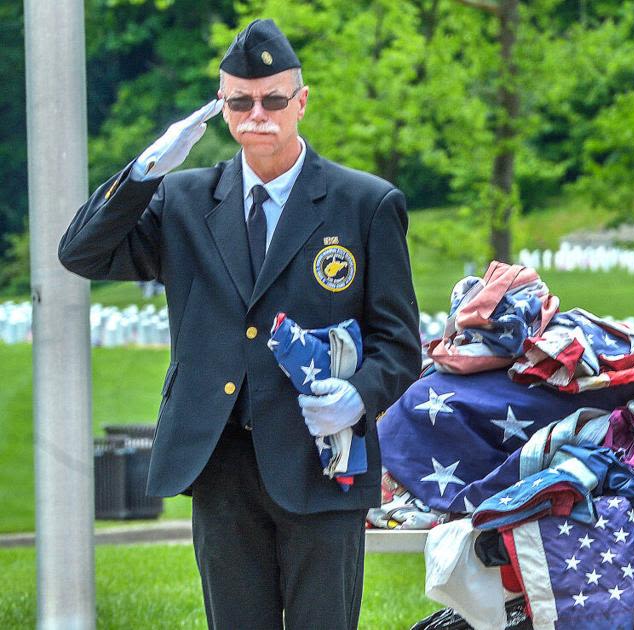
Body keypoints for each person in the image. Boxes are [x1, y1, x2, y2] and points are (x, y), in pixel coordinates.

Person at [59, 19, 421, 629]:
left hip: (320, 457)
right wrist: (146, 170)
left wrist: (358, 397)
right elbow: (82, 253)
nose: (259, 113)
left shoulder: (364, 203)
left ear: (300, 102)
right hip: (220, 458)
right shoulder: (183, 200)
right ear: (221, 107)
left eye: (274, 99)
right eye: (240, 100)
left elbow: (399, 342)